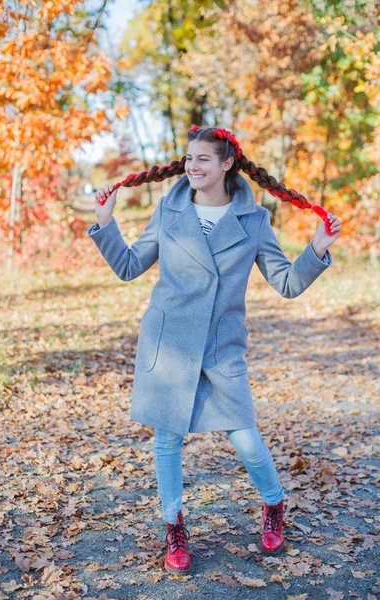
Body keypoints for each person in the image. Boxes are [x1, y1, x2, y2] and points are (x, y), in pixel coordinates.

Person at [87, 125, 341, 576]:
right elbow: (128, 267)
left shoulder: (255, 221)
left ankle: (274, 504)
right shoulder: (169, 210)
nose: (192, 166)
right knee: (167, 440)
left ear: (227, 164)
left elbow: (286, 284)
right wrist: (106, 222)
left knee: (245, 438)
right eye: (189, 158)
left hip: (221, 348)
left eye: (203, 159)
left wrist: (315, 250)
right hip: (169, 345)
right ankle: (174, 526)